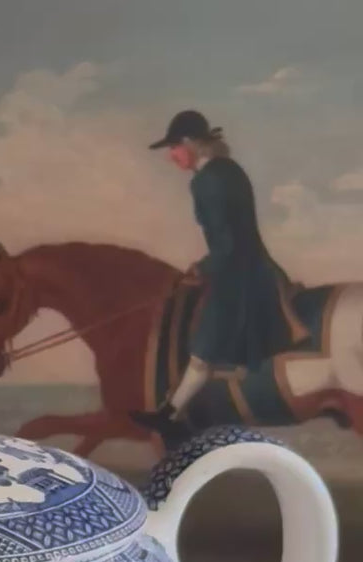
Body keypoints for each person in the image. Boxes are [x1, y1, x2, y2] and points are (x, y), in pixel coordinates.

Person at [131, 110, 306, 446]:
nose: (172, 157)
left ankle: (170, 415)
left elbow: (227, 242)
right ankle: (172, 411)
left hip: (238, 275)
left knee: (203, 349)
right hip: (253, 266)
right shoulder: (230, 171)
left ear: (190, 144)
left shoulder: (207, 180)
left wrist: (203, 268)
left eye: (175, 148)